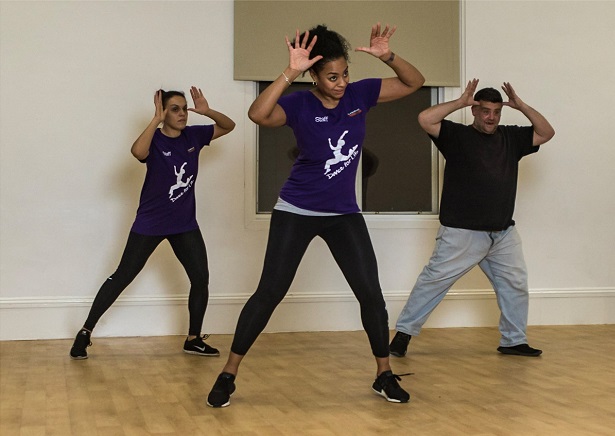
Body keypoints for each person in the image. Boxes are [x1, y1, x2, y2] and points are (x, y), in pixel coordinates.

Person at [206, 23, 425, 408]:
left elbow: (413, 82)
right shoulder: (298, 103)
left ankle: (383, 374)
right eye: (332, 76)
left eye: (345, 74)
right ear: (314, 76)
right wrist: (289, 71)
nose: (341, 83)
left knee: (370, 294)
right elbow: (258, 114)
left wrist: (387, 56)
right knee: (270, 292)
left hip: (343, 214)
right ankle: (228, 373)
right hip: (296, 210)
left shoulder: (360, 94)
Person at [390, 79, 555, 358]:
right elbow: (424, 118)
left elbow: (546, 132)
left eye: (496, 112)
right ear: (475, 111)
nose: (491, 117)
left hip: (502, 233)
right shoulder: (456, 136)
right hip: (462, 232)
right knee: (434, 281)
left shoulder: (511, 138)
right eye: (485, 111)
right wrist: (458, 103)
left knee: (515, 284)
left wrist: (521, 105)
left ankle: (513, 341)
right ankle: (403, 334)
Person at [69, 87, 235, 359]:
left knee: (200, 278)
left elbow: (228, 125)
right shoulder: (155, 140)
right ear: (163, 112)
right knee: (122, 276)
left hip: (184, 224)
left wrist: (207, 111)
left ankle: (193, 338)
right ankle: (85, 332)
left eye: (184, 108)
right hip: (150, 222)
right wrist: (154, 120)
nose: (182, 114)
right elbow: (137, 151)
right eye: (174, 109)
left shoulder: (194, 136)